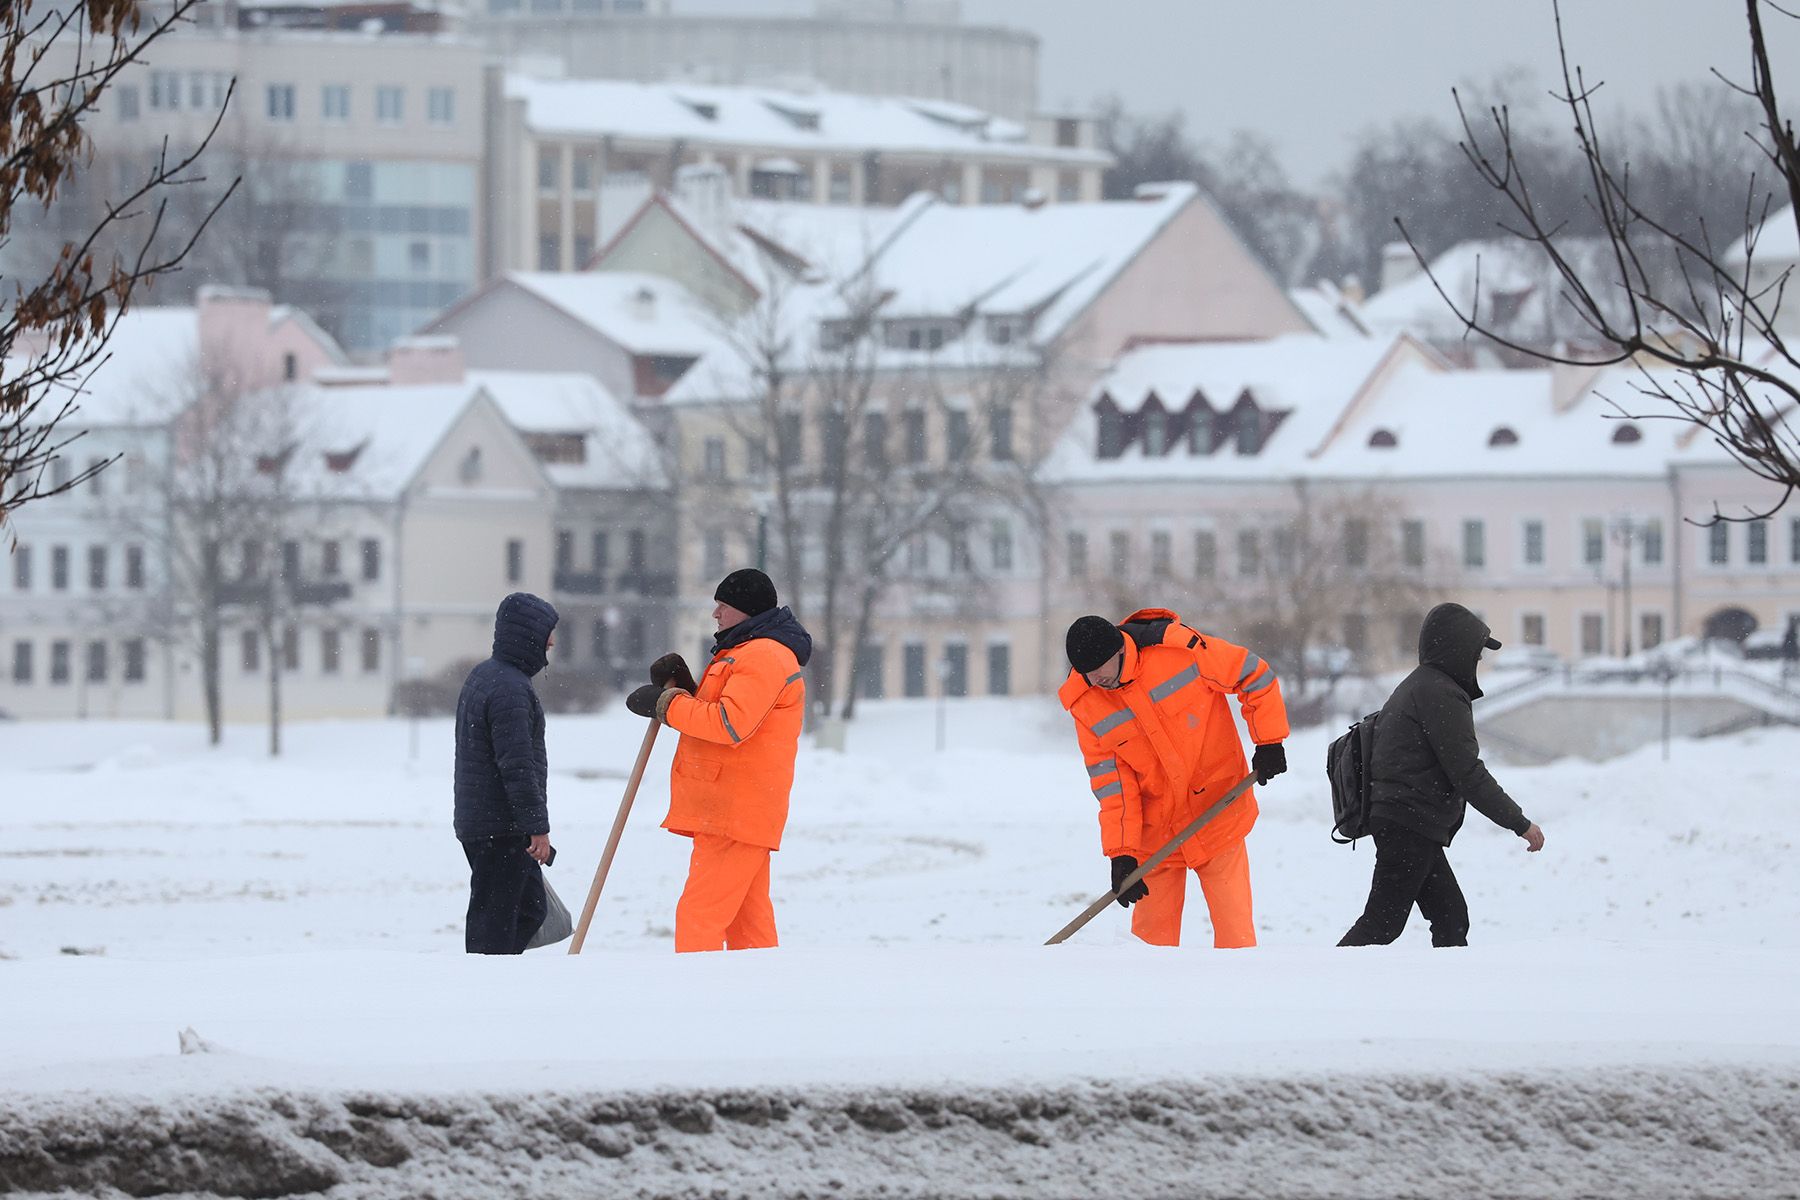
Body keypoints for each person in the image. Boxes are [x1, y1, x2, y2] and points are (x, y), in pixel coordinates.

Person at [1058, 608, 1290, 948]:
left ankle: (1239, 996)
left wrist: (1269, 741)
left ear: (1119, 650)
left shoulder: (1178, 650)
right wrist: (1122, 852)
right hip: (1157, 835)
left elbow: (1254, 675)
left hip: (1217, 811)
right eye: (1085, 675)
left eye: (1098, 671)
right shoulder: (1085, 702)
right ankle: (1153, 1002)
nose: (1094, 682)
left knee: (1236, 939)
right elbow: (1113, 786)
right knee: (1149, 950)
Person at [1339, 602, 1546, 949]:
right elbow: (1467, 772)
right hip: (1408, 821)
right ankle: (1325, 984)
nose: (1478, 661)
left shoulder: (1421, 686)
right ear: (1457, 649)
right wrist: (1519, 823)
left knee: (1450, 916)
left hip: (1406, 820)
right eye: (1476, 653)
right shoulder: (1440, 693)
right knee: (1383, 924)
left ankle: (1448, 995)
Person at [626, 568, 812, 953]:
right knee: (748, 921)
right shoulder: (743, 652)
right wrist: (686, 691)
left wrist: (667, 705)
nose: (715, 614)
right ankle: (756, 997)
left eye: (723, 606)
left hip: (736, 810)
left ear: (745, 610)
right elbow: (723, 713)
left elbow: (729, 725)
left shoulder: (764, 655)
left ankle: (698, 998)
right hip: (735, 809)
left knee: (700, 914)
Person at [452, 592, 559, 955]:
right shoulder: (509, 689)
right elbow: (517, 765)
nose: (552, 642)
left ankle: (503, 985)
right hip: (500, 828)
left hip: (489, 823)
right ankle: (485, 995)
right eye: (548, 632)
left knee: (531, 909)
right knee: (493, 929)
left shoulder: (488, 676)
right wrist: (537, 827)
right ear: (529, 635)